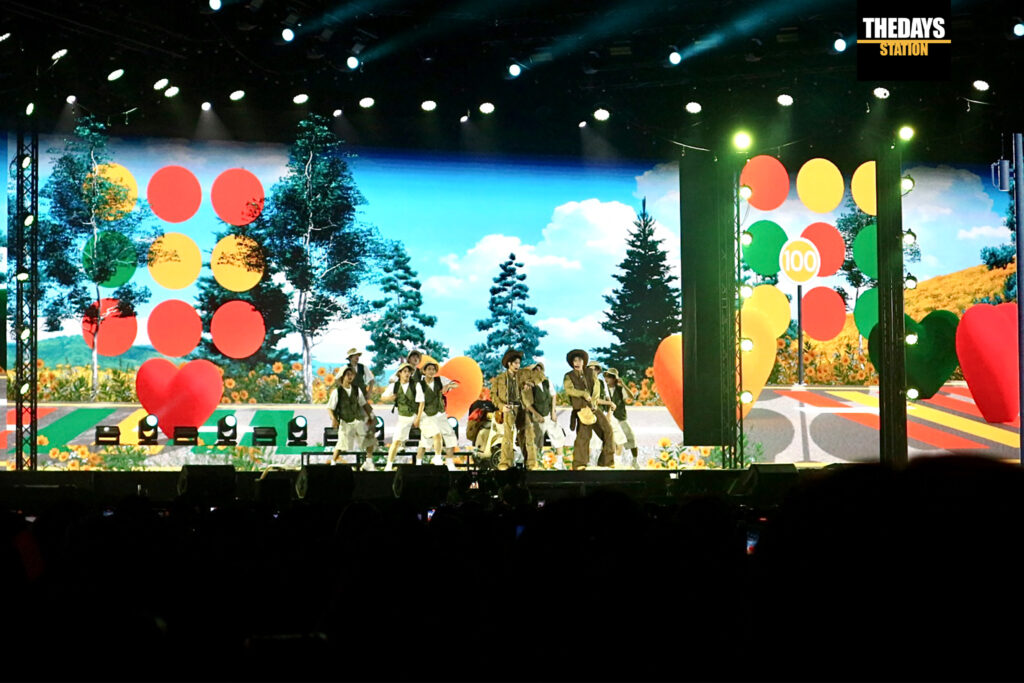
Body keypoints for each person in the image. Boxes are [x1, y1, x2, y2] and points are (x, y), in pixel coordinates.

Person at [563, 349, 614, 470]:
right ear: (572, 363)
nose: (577, 363)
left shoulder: (590, 373)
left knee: (608, 431)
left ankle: (606, 461)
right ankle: (579, 463)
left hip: (593, 408)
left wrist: (594, 401)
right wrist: (583, 394)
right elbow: (569, 390)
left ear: (584, 362)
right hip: (581, 409)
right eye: (575, 360)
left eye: (579, 360)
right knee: (584, 436)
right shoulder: (569, 376)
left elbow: (596, 387)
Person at [490, 349, 539, 470]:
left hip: (522, 407)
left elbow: (540, 376)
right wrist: (501, 406)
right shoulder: (500, 379)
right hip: (508, 408)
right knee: (508, 436)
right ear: (509, 364)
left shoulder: (523, 374)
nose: (518, 365)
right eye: (515, 363)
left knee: (527, 435)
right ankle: (506, 463)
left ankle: (531, 463)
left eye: (519, 363)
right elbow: (493, 396)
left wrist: (530, 383)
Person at [327, 366, 378, 471]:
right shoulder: (337, 392)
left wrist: (370, 416)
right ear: (343, 376)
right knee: (341, 444)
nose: (350, 377)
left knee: (369, 439)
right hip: (345, 421)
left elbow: (364, 404)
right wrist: (333, 419)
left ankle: (368, 462)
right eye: (348, 374)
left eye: (352, 374)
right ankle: (333, 462)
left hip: (357, 419)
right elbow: (330, 408)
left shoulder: (356, 390)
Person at [414, 360, 459, 471]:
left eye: (433, 369)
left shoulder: (440, 380)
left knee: (451, 437)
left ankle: (449, 463)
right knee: (431, 437)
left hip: (440, 414)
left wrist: (448, 385)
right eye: (429, 369)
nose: (431, 371)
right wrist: (418, 419)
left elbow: (457, 384)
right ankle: (432, 460)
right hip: (427, 415)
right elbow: (421, 403)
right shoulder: (420, 385)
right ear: (424, 371)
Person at [379, 363, 424, 472]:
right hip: (403, 417)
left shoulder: (415, 385)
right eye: (404, 371)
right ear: (399, 373)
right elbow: (382, 397)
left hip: (415, 415)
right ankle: (389, 465)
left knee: (428, 436)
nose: (407, 374)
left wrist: (418, 418)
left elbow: (421, 402)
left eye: (409, 372)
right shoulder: (394, 386)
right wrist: (390, 398)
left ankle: (419, 463)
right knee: (396, 441)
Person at [521, 362, 568, 468]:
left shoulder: (547, 382)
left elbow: (553, 396)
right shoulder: (528, 386)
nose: (538, 371)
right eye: (535, 370)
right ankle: (536, 462)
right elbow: (527, 403)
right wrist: (536, 415)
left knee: (558, 435)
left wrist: (553, 412)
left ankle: (559, 462)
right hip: (537, 417)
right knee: (537, 439)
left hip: (548, 415)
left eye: (540, 369)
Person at [604, 368, 639, 469]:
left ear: (615, 379)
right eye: (606, 376)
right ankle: (612, 463)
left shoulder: (619, 389)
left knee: (631, 438)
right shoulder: (603, 389)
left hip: (620, 418)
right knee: (613, 441)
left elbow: (631, 397)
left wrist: (623, 384)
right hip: (609, 418)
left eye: (610, 377)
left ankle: (634, 461)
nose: (607, 378)